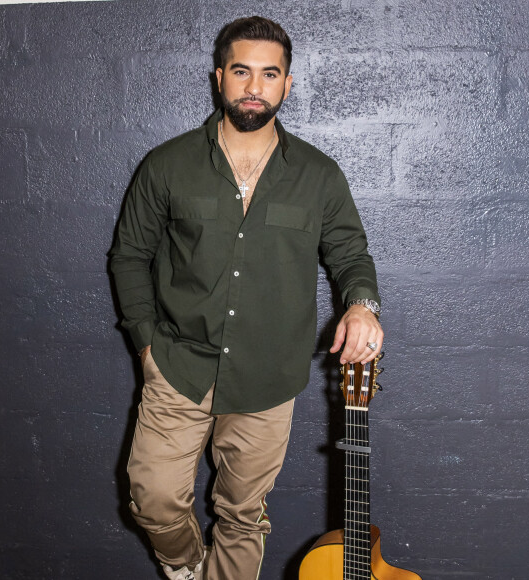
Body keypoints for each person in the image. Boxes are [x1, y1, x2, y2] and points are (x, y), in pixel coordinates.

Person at [110, 15, 383, 580]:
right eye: (241, 71)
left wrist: (361, 304)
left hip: (268, 376)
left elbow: (351, 255)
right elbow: (130, 257)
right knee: (153, 497)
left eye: (269, 74)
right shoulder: (167, 165)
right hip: (179, 364)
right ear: (219, 78)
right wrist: (145, 347)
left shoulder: (319, 175)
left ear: (287, 83)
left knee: (241, 515)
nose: (254, 87)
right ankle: (187, 569)